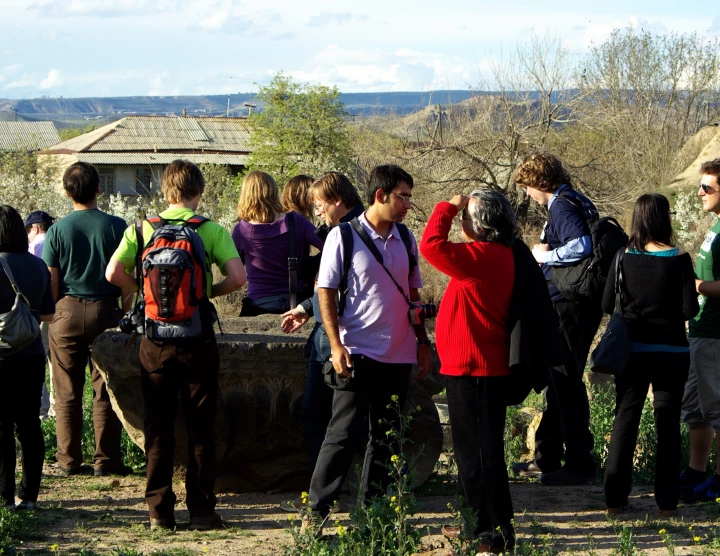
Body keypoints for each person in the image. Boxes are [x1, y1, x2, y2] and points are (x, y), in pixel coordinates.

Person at [106, 159, 246, 531]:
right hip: (196, 338)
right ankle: (202, 511)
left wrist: (144, 294)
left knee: (158, 426)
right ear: (198, 192)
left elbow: (113, 273)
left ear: (165, 191)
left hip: (154, 340)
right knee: (202, 426)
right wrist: (204, 295)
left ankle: (159, 512)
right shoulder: (211, 230)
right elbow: (238, 278)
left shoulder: (141, 229)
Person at [303, 164, 432, 533]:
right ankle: (315, 515)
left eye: (409, 197)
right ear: (381, 196)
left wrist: (422, 343)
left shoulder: (407, 239)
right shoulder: (343, 236)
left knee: (387, 438)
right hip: (356, 352)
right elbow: (324, 292)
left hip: (399, 354)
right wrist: (335, 344)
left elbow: (413, 296)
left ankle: (375, 518)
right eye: (402, 197)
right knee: (341, 435)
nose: (408, 204)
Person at [419, 191, 517, 553]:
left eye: (467, 218)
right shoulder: (497, 254)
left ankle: (489, 533)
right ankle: (478, 523)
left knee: (476, 453)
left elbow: (430, 246)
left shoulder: (482, 256)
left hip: (473, 368)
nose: (461, 224)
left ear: (481, 225)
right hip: (480, 366)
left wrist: (448, 206)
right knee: (479, 451)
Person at [601, 194, 698, 516]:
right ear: (664, 219)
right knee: (668, 426)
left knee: (625, 420)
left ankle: (615, 500)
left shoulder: (622, 257)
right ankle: (667, 503)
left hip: (632, 353)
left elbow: (605, 305)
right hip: (671, 352)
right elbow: (688, 310)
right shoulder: (680, 260)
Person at [511, 150, 601, 486]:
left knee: (565, 380)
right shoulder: (578, 200)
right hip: (578, 303)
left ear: (538, 182)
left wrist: (546, 255)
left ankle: (580, 462)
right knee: (559, 378)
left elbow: (581, 245)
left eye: (528, 187)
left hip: (568, 304)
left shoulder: (561, 205)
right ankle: (547, 456)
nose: (527, 195)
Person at [279, 172, 364, 513]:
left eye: (319, 206)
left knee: (322, 415)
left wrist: (309, 308)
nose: (317, 214)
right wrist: (305, 307)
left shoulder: (349, 232)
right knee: (323, 414)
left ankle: (325, 495)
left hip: (340, 339)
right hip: (330, 334)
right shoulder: (350, 228)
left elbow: (340, 288)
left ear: (337, 201)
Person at [42, 162, 131, 477]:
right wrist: (125, 313)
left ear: (67, 193)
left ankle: (68, 460)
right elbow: (127, 278)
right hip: (106, 311)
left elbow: (52, 282)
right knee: (105, 389)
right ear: (99, 189)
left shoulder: (57, 230)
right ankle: (106, 460)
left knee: (67, 390)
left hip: (65, 311)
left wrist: (55, 313)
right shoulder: (117, 226)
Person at [0, 205, 55, 512]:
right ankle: (29, 495)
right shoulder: (38, 266)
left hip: (1, 355)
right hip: (32, 353)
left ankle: (4, 496)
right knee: (29, 425)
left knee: (2, 426)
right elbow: (48, 313)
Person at [679, 158, 720, 502]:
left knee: (718, 409)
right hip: (700, 331)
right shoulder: (716, 226)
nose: (700, 192)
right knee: (695, 407)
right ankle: (696, 471)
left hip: (716, 335)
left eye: (707, 187)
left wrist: (694, 285)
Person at [232, 171, 323, 315]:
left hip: (259, 300)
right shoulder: (296, 221)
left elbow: (231, 269)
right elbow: (331, 247)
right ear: (274, 191)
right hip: (296, 299)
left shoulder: (241, 230)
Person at [25, 210, 55, 419]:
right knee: (56, 360)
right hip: (58, 308)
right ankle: (56, 407)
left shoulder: (34, 246)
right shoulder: (55, 242)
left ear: (35, 228)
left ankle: (43, 409)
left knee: (40, 356)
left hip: (40, 310)